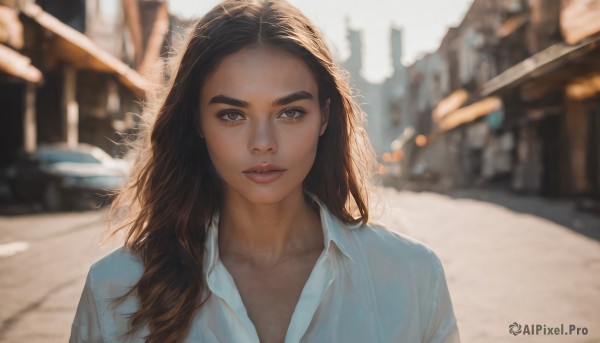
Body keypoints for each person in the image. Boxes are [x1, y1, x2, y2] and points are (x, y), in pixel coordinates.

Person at [69, 0, 460, 342]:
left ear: (324, 116)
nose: (263, 142)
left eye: (290, 112)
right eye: (232, 115)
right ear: (197, 122)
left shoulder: (412, 276)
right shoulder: (116, 288)